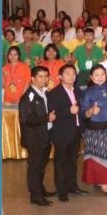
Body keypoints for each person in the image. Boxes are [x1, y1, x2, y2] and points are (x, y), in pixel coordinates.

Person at [46, 64, 87, 201]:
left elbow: (80, 110)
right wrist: (69, 111)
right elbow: (52, 114)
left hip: (76, 131)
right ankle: (61, 191)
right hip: (61, 133)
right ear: (60, 76)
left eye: (73, 73)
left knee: (73, 161)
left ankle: (72, 186)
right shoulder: (53, 93)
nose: (71, 76)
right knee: (60, 163)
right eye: (67, 73)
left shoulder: (77, 91)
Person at [19, 66, 55, 206]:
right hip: (35, 138)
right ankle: (35, 196)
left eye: (46, 76)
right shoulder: (28, 96)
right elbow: (26, 119)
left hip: (44, 136)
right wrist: (46, 118)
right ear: (32, 78)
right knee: (35, 167)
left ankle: (40, 189)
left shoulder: (43, 92)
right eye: (40, 76)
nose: (43, 79)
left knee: (41, 166)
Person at [80, 65, 107, 194]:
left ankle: (101, 180)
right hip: (94, 130)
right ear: (91, 77)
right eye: (96, 75)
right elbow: (83, 113)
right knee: (99, 158)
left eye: (102, 74)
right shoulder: (88, 92)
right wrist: (91, 111)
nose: (100, 77)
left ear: (106, 75)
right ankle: (103, 183)